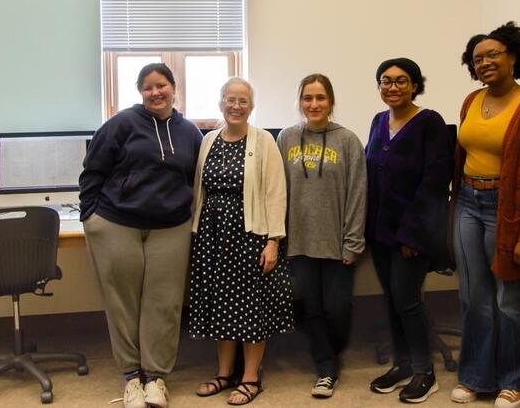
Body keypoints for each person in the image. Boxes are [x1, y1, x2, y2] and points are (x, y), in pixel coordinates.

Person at [79, 63, 203, 408]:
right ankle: (132, 378)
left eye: (161, 85)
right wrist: (91, 216)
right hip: (118, 223)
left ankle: (156, 378)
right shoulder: (121, 124)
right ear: (140, 92)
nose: (156, 92)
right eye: (148, 88)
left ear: (174, 87)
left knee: (164, 304)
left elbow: (195, 181)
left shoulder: (189, 132)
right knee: (123, 302)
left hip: (171, 227)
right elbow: (92, 170)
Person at [451, 22, 520, 408]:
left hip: (507, 209)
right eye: (478, 58)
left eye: (493, 54)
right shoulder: (470, 101)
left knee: (509, 302)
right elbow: (462, 155)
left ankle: (516, 380)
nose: (485, 63)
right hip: (466, 203)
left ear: (514, 56)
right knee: (473, 297)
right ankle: (476, 376)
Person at [189, 77, 295, 406]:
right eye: (230, 100)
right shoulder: (208, 140)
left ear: (252, 106)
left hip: (251, 236)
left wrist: (274, 241)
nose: (236, 106)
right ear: (220, 103)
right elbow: (199, 190)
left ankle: (250, 377)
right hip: (212, 236)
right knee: (221, 305)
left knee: (252, 307)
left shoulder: (263, 141)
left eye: (243, 101)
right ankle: (224, 373)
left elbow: (276, 193)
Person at [366, 58, 453, 403]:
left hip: (411, 235)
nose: (392, 87)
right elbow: (372, 174)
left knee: (408, 300)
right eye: (385, 81)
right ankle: (403, 365)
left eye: (401, 81)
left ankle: (424, 372)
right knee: (391, 300)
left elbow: (434, 184)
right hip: (380, 232)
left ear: (415, 85)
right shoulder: (378, 121)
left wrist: (412, 236)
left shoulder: (429, 122)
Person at [276, 74, 367, 398]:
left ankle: (334, 349)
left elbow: (358, 193)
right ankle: (326, 368)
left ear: (331, 101)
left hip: (337, 242)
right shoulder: (286, 138)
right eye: (307, 98)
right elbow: (277, 191)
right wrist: (277, 236)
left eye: (320, 98)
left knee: (337, 308)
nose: (313, 105)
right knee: (311, 308)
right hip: (299, 243)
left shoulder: (347, 140)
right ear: (300, 102)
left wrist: (353, 241)